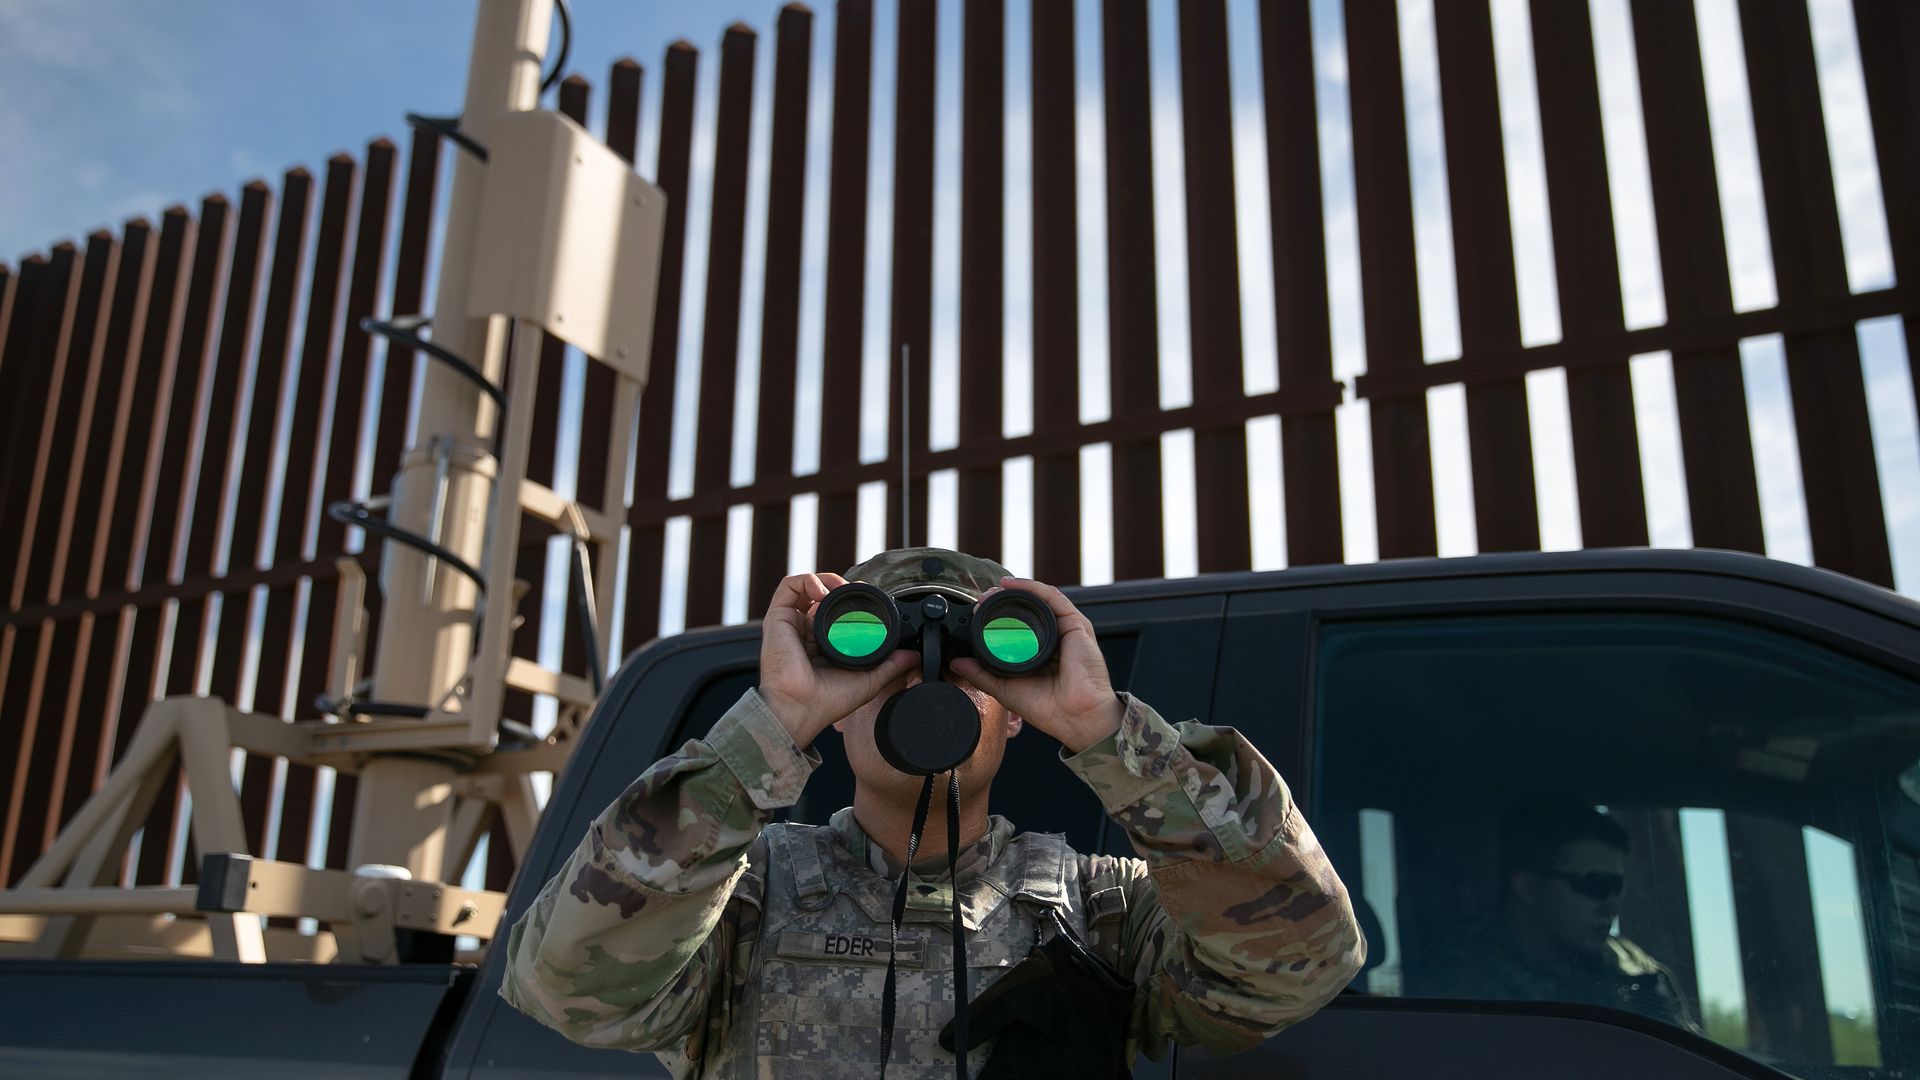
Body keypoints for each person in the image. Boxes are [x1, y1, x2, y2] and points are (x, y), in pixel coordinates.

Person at [499, 547, 1365, 1077]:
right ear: (842, 704)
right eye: (886, 661)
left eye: (967, 664)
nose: (923, 683)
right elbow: (564, 986)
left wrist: (1108, 731)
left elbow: (1303, 962)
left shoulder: (1104, 913)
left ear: (1013, 702)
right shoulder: (736, 899)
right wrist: (773, 726)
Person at [1427, 797, 1694, 1031]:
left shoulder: (1635, 970)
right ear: (1528, 887)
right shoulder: (1463, 994)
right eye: (1594, 884)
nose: (1612, 906)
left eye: (1617, 887)